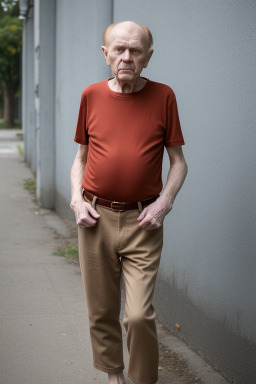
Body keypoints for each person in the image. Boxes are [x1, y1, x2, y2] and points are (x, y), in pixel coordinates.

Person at [70, 20, 188, 384]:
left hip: (142, 221)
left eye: (135, 51)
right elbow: (81, 159)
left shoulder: (163, 96)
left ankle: (142, 380)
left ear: (147, 58)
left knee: (138, 314)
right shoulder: (91, 95)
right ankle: (114, 374)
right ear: (105, 54)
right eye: (118, 49)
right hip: (95, 218)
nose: (126, 57)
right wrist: (76, 200)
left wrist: (164, 203)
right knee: (102, 309)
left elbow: (179, 163)